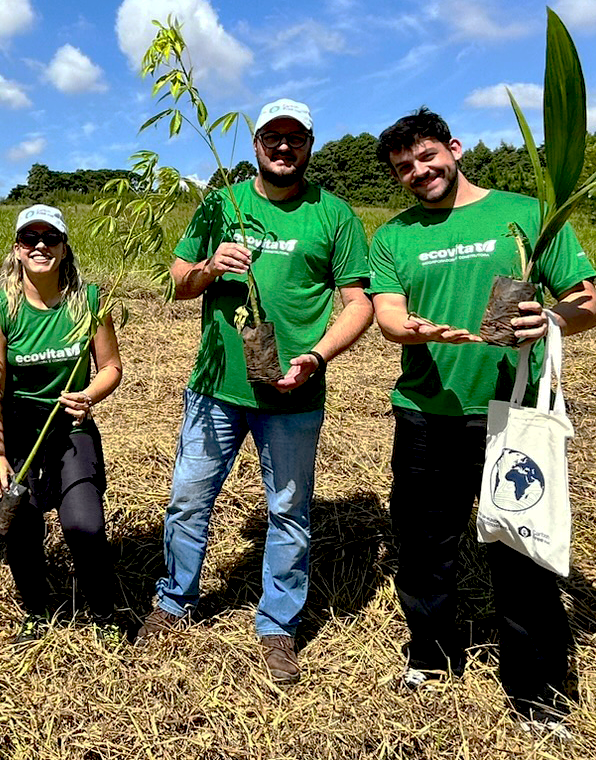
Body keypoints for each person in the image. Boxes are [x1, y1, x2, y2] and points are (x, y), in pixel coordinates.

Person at [367, 107, 596, 739]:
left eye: (425, 157)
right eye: (403, 169)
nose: (418, 173)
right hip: (428, 413)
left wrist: (549, 318)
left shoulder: (525, 213)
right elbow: (387, 312)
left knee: (520, 553)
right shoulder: (393, 236)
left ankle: (537, 690)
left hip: (516, 414)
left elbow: (587, 302)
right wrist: (407, 328)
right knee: (424, 546)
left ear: (454, 148)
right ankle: (433, 658)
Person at [137, 98, 374, 685]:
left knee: (289, 511)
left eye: (296, 137)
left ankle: (277, 626)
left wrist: (318, 356)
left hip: (294, 391)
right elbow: (179, 280)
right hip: (217, 387)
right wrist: (212, 266)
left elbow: (359, 303)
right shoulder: (222, 203)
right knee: (189, 499)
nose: (284, 146)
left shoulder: (334, 214)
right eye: (274, 136)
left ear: (310, 146)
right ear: (256, 144)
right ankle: (173, 602)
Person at [0, 204, 124, 643]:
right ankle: (37, 609)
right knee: (23, 524)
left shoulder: (91, 302)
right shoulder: (0, 309)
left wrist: (89, 395)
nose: (40, 246)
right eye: (30, 239)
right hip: (17, 426)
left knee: (85, 524)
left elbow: (112, 367)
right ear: (17, 249)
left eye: (50, 238)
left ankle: (103, 610)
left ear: (64, 246)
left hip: (70, 426)